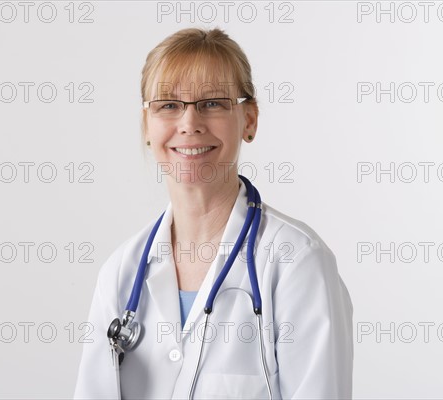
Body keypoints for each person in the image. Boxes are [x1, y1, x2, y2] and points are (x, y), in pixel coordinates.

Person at [74, 27, 353, 400]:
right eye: (168, 105)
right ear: (147, 125)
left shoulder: (295, 263)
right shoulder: (121, 273)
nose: (189, 123)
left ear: (249, 120)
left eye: (212, 103)